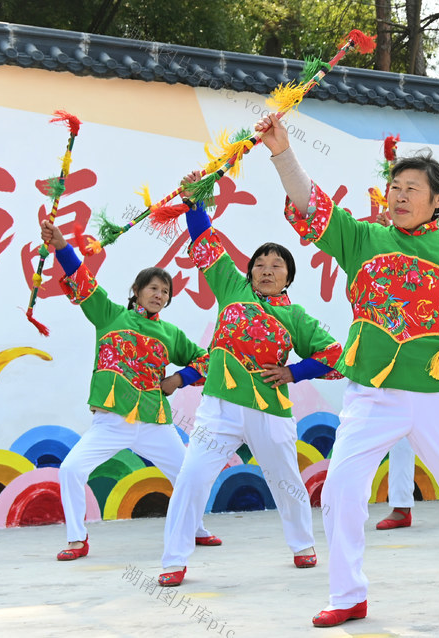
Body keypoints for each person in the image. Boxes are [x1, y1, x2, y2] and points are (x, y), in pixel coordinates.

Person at [256, 113, 439, 627]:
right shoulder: (363, 239)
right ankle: (347, 594)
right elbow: (310, 207)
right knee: (341, 491)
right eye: (395, 188)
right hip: (373, 395)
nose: (401, 196)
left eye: (413, 189)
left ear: (438, 200)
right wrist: (282, 153)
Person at [158, 176, 343, 587]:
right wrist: (193, 200)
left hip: (270, 411)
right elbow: (206, 242)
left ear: (288, 278)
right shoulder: (231, 286)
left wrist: (292, 372)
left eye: (276, 265)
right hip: (219, 407)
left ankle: (302, 545)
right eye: (260, 263)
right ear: (249, 271)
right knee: (191, 478)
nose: (266, 269)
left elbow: (333, 355)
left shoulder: (296, 318)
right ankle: (173, 559)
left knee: (286, 480)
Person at [40, 220, 221, 561]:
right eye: (153, 288)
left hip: (154, 419)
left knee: (188, 473)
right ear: (136, 290)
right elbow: (82, 279)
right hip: (112, 421)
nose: (159, 295)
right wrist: (61, 245)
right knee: (71, 469)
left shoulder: (170, 333)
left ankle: (195, 528)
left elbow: (207, 358)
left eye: (165, 292)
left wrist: (179, 379)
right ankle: (77, 540)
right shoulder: (110, 316)